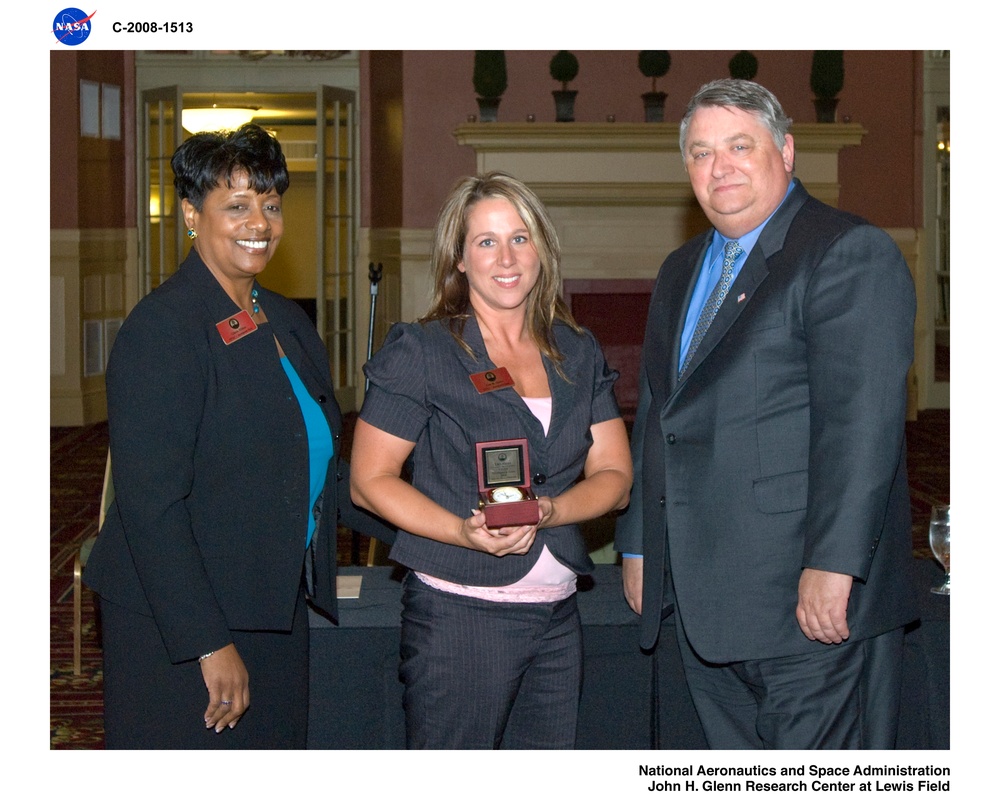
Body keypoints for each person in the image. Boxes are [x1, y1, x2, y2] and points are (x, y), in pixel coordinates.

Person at [614, 79, 918, 749]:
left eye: (738, 146)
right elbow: (660, 417)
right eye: (699, 152)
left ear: (785, 149)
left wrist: (836, 566)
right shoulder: (680, 268)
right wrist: (640, 543)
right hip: (703, 603)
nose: (717, 167)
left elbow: (861, 428)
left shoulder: (846, 252)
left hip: (803, 602)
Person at [84, 123, 392, 748]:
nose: (260, 221)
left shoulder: (285, 319)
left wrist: (441, 532)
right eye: (237, 205)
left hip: (271, 599)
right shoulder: (162, 329)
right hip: (179, 620)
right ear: (192, 215)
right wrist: (207, 641)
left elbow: (329, 470)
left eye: (271, 203)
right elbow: (150, 506)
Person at [349, 171, 632, 749]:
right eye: (486, 241)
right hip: (459, 618)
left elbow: (616, 477)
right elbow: (368, 481)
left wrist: (549, 511)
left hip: (558, 617)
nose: (506, 257)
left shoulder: (576, 348)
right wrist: (461, 531)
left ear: (542, 249)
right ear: (459, 258)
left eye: (520, 238)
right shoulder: (423, 350)